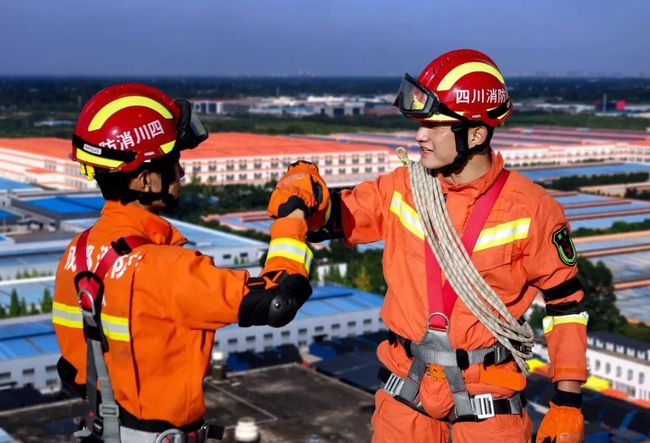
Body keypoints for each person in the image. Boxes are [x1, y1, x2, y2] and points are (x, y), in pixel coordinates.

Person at [269, 49, 587, 443]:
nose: (420, 134)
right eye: (421, 124)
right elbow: (334, 217)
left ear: (475, 134)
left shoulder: (532, 211)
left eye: (435, 126)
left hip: (487, 395)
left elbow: (566, 306)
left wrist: (567, 405)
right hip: (406, 389)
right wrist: (306, 193)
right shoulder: (403, 189)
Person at [52, 83, 315, 442]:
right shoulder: (169, 268)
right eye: (172, 163)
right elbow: (278, 299)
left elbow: (72, 366)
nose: (181, 174)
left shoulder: (76, 253)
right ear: (144, 180)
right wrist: (292, 215)